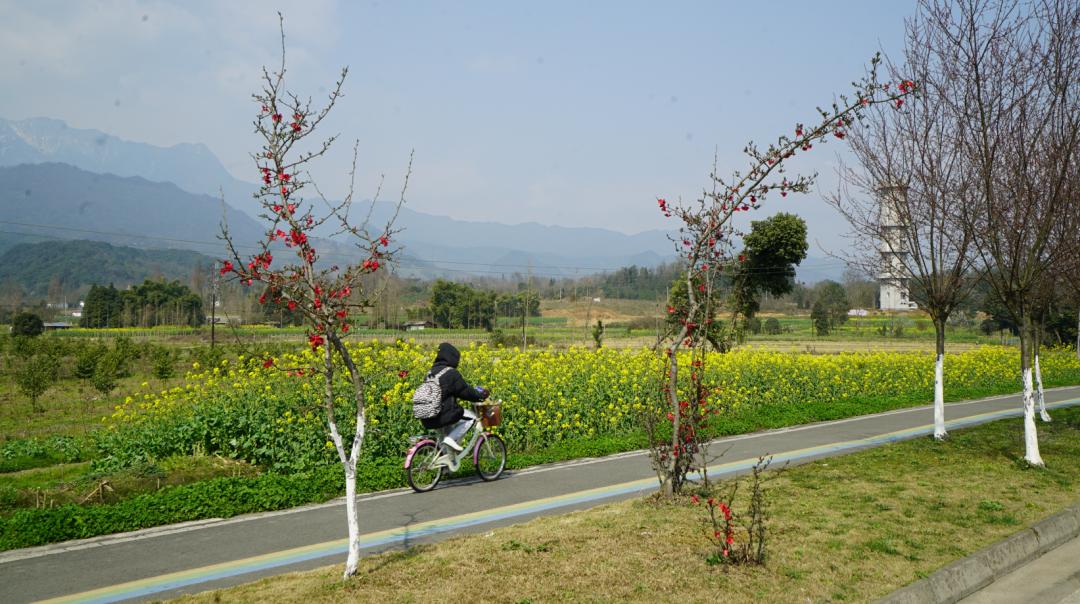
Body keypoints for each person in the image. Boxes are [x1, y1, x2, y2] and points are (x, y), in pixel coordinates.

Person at [421, 342, 489, 452]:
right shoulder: (451, 373)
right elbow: (465, 392)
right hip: (442, 414)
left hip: (427, 416)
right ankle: (451, 439)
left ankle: (447, 462)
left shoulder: (430, 373)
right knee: (472, 418)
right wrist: (481, 395)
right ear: (452, 357)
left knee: (446, 445)